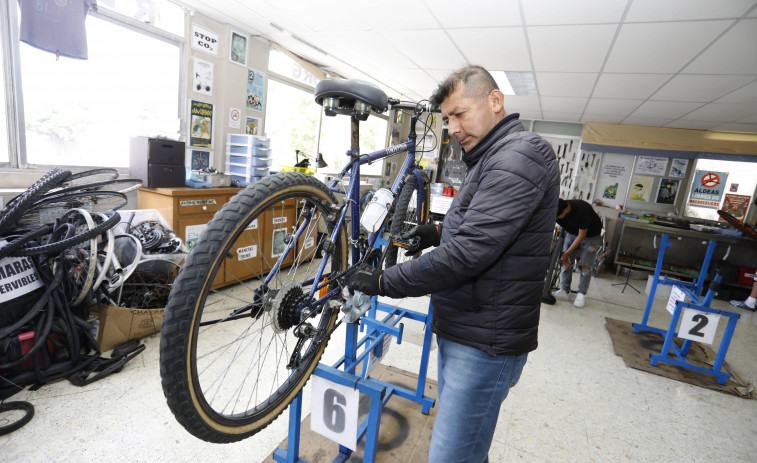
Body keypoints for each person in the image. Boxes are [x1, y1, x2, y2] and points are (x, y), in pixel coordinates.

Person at [348, 65, 560, 463]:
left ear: (495, 101)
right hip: (467, 327)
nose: (452, 127)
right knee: (466, 450)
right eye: (446, 119)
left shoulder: (521, 154)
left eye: (459, 114)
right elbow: (483, 233)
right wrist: (436, 233)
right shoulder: (492, 157)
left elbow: (469, 254)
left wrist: (382, 281)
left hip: (484, 343)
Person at [551, 199, 603, 308]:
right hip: (572, 232)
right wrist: (565, 255)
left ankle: (581, 294)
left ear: (564, 212)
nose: (556, 219)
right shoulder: (557, 209)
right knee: (565, 261)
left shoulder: (582, 210)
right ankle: (565, 290)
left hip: (590, 235)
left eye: (557, 217)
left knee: (585, 265)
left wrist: (567, 252)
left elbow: (581, 236)